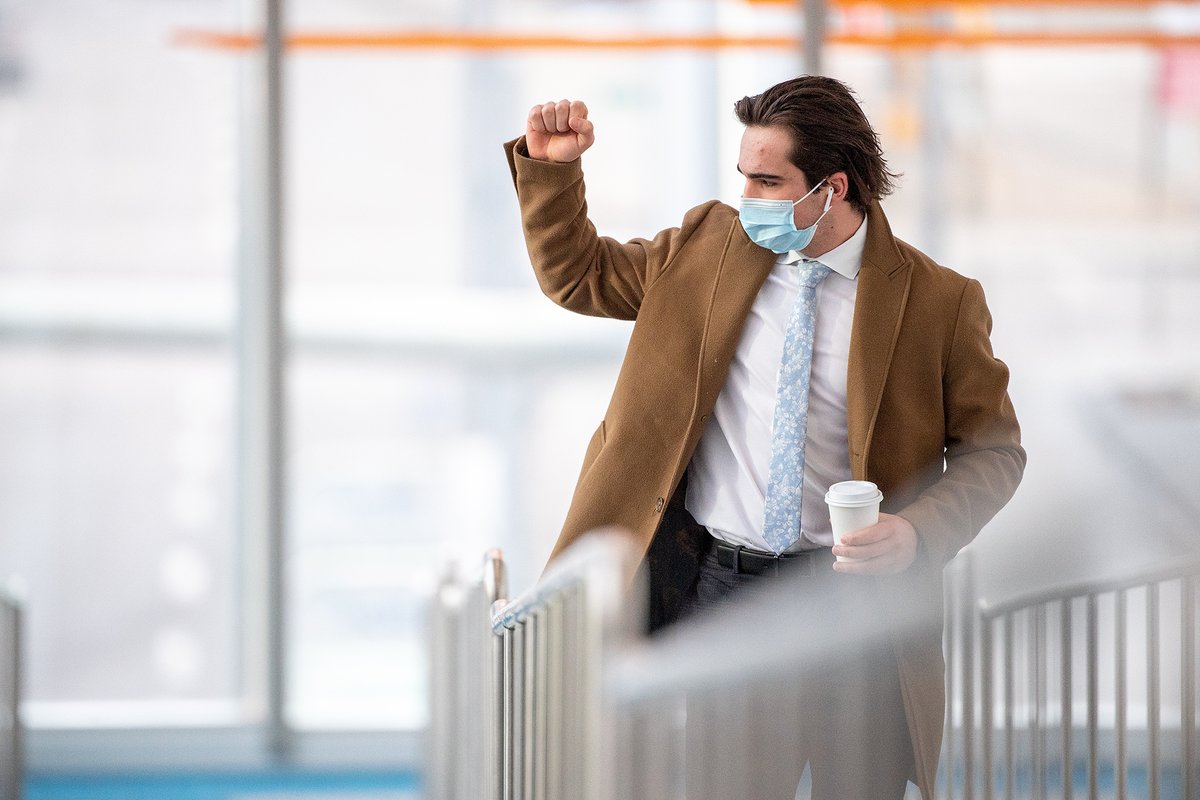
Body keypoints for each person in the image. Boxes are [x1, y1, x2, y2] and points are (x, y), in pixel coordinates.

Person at [503, 76, 1025, 799]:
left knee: (861, 786)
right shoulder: (706, 246)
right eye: (743, 174)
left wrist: (918, 532)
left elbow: (993, 451)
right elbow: (581, 276)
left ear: (832, 189)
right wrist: (554, 169)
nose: (747, 195)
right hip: (727, 588)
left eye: (767, 180)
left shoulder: (940, 301)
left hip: (858, 604)